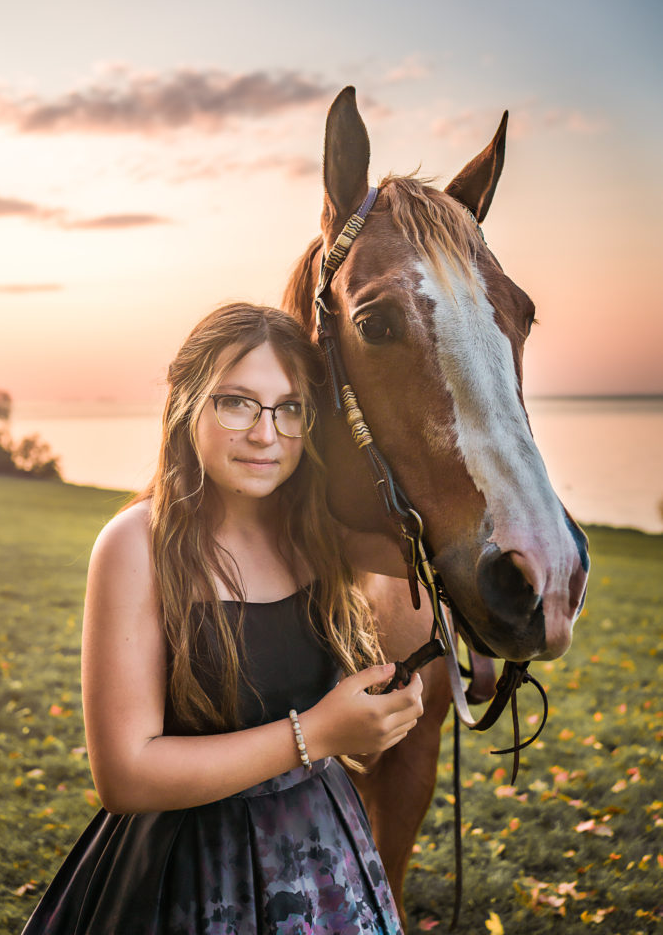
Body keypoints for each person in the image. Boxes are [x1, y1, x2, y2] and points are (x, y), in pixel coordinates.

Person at [22, 302, 423, 935]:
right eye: (236, 403)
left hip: (325, 855)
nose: (266, 434)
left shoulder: (320, 534)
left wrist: (381, 714)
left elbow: (463, 549)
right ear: (186, 405)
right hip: (191, 869)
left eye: (289, 409)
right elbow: (124, 775)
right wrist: (318, 733)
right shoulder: (137, 545)